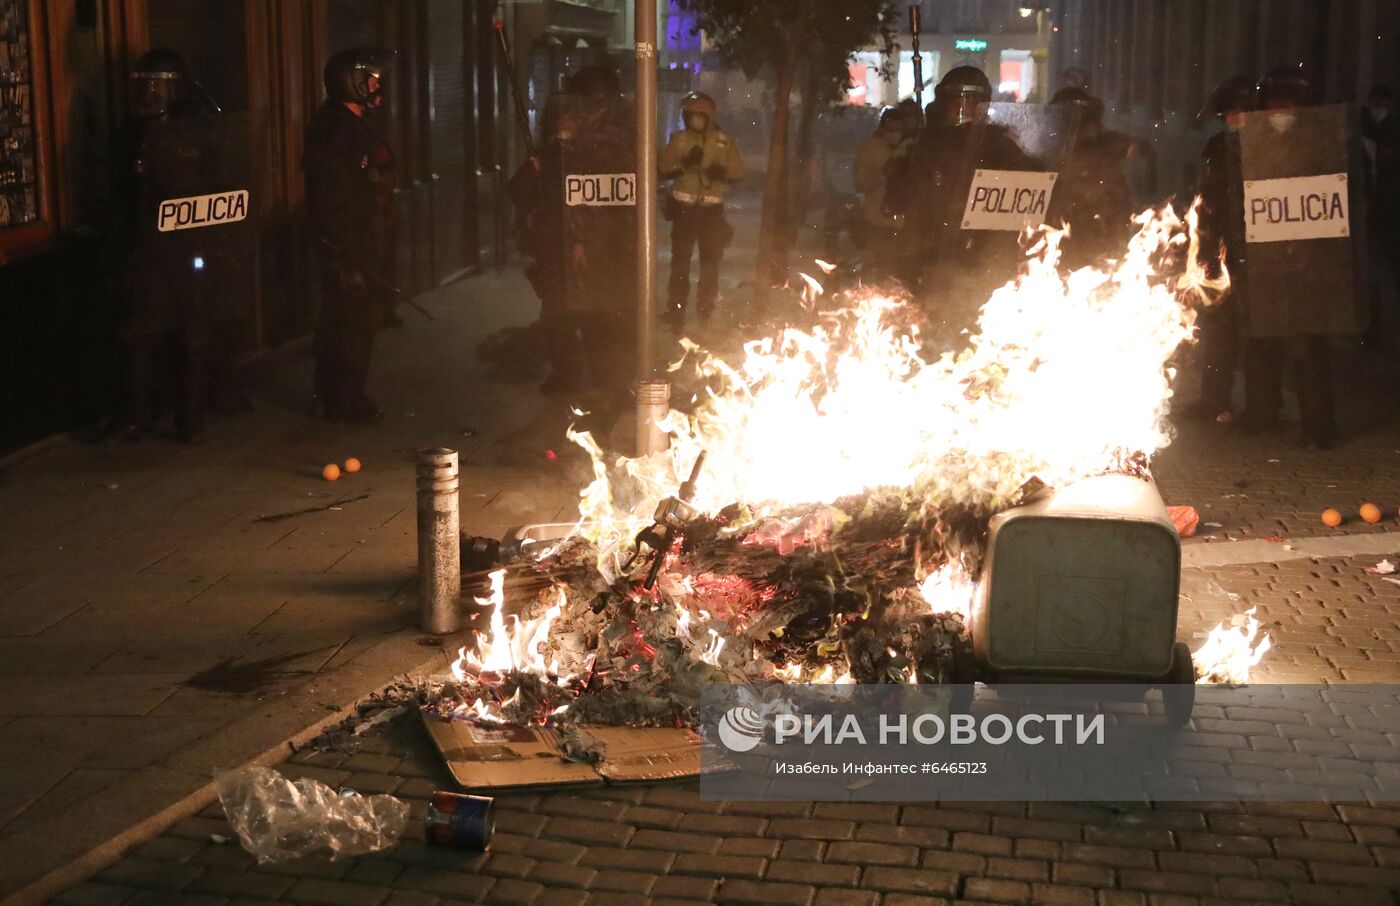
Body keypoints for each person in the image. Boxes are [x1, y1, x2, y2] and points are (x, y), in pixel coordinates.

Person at [102, 49, 221, 444]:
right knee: (139, 334)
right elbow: (117, 197)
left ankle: (191, 419)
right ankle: (138, 416)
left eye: (159, 83)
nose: (151, 92)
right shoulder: (130, 135)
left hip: (188, 250)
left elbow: (221, 185)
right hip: (146, 250)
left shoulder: (197, 131)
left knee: (192, 335)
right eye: (144, 84)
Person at [1238, 66, 1357, 450]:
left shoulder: (1324, 141)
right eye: (1274, 101)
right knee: (1260, 341)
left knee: (1308, 346)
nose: (1280, 109)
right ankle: (1261, 413)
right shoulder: (1251, 144)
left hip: (1311, 263)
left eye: (1288, 102)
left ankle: (1318, 427)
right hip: (1265, 260)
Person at [303, 47, 397, 423]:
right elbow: (332, 197)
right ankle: (344, 399)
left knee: (346, 319)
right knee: (353, 322)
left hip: (359, 239)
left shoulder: (347, 123)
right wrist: (347, 255)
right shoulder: (335, 129)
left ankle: (333, 396)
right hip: (348, 244)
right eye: (373, 78)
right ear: (354, 82)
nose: (379, 86)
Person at [1180, 75, 1255, 422]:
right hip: (1222, 245)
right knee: (1218, 328)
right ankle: (1214, 400)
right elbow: (1207, 192)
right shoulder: (1218, 146)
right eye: (1228, 114)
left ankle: (1261, 408)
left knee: (1256, 332)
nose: (1232, 119)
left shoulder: (1263, 144)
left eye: (1237, 112)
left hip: (1256, 247)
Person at [659, 91, 745, 331]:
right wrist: (684, 164)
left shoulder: (724, 142)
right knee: (680, 266)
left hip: (711, 213)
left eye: (699, 116)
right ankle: (675, 312)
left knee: (710, 266)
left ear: (708, 117)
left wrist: (723, 173)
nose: (695, 120)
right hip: (684, 212)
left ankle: (705, 312)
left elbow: (738, 172)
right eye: (690, 116)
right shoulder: (679, 140)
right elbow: (663, 168)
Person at [1047, 86, 1135, 268]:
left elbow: (1117, 205)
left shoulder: (1104, 146)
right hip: (1056, 238)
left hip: (1092, 237)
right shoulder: (1050, 146)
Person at [852, 106, 915, 281]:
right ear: (883, 128)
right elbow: (860, 182)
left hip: (904, 222)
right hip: (878, 220)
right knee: (883, 269)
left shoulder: (911, 148)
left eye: (898, 129)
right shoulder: (871, 149)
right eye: (891, 129)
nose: (895, 133)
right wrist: (883, 174)